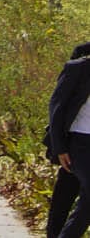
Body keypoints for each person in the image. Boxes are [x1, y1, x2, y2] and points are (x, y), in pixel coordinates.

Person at [47, 41, 90, 238]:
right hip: (79, 143)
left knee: (67, 196)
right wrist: (60, 148)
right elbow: (57, 107)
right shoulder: (79, 69)